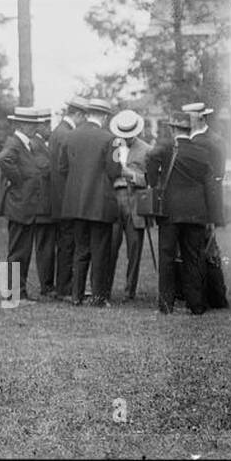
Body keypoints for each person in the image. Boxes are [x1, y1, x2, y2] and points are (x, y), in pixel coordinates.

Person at [147, 103, 227, 315]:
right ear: (190, 130)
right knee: (194, 258)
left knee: (167, 257)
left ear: (173, 129)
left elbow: (150, 158)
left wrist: (154, 179)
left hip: (170, 212)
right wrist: (214, 216)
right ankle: (196, 305)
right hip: (196, 213)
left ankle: (166, 304)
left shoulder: (165, 148)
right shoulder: (202, 152)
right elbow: (210, 186)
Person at [59, 97, 122, 306]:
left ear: (87, 114)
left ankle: (76, 295)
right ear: (104, 117)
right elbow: (114, 171)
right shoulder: (110, 139)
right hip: (100, 203)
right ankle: (98, 296)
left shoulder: (70, 136)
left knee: (80, 249)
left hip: (76, 203)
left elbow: (62, 168)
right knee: (100, 251)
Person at [0, 107, 54, 302]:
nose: (35, 128)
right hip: (19, 204)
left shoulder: (24, 143)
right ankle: (15, 293)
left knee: (23, 251)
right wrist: (18, 181)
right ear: (22, 125)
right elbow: (3, 159)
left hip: (25, 205)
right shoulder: (15, 142)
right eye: (32, 124)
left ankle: (19, 291)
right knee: (18, 251)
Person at [108, 109, 152, 302]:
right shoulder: (111, 147)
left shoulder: (147, 150)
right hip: (114, 200)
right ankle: (105, 287)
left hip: (135, 202)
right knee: (110, 246)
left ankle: (129, 291)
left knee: (134, 250)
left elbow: (149, 179)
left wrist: (130, 174)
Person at [49, 96, 90, 300]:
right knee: (67, 244)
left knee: (67, 243)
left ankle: (66, 285)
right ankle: (65, 288)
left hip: (61, 199)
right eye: (85, 117)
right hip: (66, 199)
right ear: (79, 115)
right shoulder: (66, 135)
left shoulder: (60, 132)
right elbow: (67, 169)